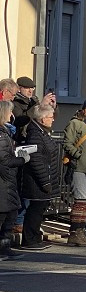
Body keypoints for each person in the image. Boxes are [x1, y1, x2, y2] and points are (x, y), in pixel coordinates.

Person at [18, 104, 59, 251]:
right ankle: (29, 240)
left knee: (39, 209)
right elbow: (35, 160)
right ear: (42, 119)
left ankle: (35, 237)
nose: (53, 120)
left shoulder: (41, 131)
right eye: (50, 117)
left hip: (44, 177)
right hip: (37, 180)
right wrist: (45, 182)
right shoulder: (35, 134)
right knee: (35, 210)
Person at [62, 99, 86, 247]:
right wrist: (78, 155)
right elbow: (67, 143)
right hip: (79, 166)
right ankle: (75, 233)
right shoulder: (75, 123)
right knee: (80, 200)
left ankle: (81, 231)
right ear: (83, 109)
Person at [0, 101, 29, 258]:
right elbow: (5, 160)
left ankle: (5, 248)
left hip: (8, 181)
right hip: (4, 180)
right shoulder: (1, 135)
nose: (12, 116)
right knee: (5, 216)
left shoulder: (6, 133)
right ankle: (3, 248)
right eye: (9, 113)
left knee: (10, 214)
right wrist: (22, 159)